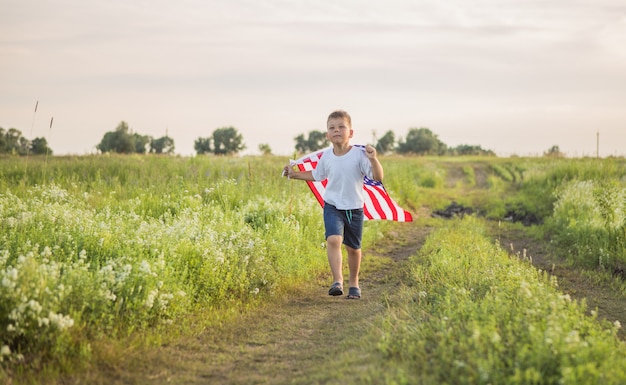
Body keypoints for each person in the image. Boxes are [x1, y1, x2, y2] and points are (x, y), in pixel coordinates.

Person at [283, 110, 384, 299]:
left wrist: (373, 159)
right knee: (334, 240)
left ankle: (354, 283)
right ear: (327, 135)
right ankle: (338, 281)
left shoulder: (360, 155)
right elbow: (316, 175)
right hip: (332, 206)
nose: (336, 130)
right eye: (332, 128)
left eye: (341, 127)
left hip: (354, 208)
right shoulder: (327, 157)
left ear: (351, 133)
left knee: (353, 248)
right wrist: (293, 174)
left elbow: (378, 177)